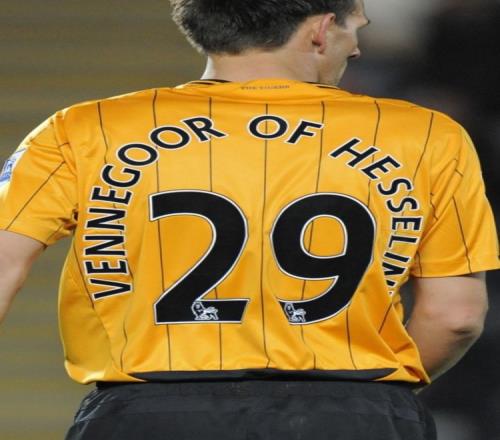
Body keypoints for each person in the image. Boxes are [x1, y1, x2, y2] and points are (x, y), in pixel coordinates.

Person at [0, 0, 498, 438]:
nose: (358, 47)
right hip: (354, 412)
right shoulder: (427, 136)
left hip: (148, 414)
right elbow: (454, 317)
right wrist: (373, 393)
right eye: (355, 27)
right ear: (321, 29)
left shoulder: (82, 129)